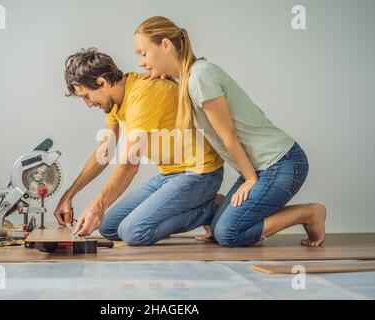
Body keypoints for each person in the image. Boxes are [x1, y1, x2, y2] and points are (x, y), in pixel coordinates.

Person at [132, 16, 326, 247]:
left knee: (228, 234)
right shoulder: (188, 78)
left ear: (165, 45)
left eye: (143, 53)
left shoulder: (200, 76)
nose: (141, 62)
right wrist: (167, 74)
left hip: (280, 163)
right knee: (217, 229)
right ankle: (237, 212)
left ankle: (309, 213)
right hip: (262, 167)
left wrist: (250, 178)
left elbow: (228, 134)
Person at [53, 48, 225, 246]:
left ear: (102, 82)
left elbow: (129, 165)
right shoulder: (115, 101)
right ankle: (168, 215)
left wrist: (97, 206)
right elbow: (105, 152)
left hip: (199, 174)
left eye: (86, 96)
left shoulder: (143, 95)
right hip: (168, 176)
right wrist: (69, 195)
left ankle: (212, 209)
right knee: (108, 227)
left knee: (134, 232)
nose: (88, 105)